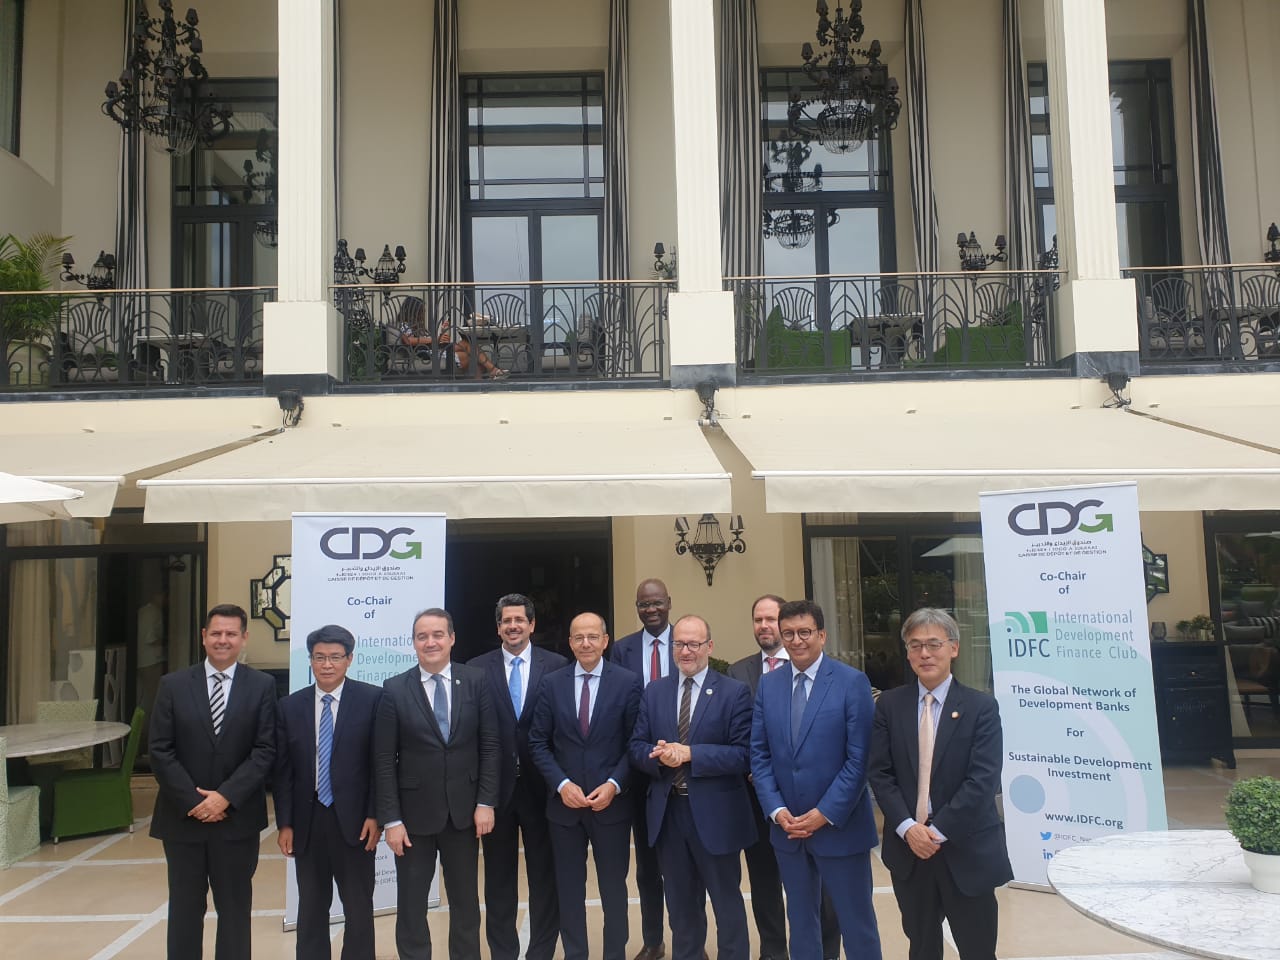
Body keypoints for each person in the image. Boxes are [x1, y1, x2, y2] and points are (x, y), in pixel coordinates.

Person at [867, 608, 1012, 960]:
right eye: (915, 645)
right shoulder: (890, 705)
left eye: (934, 644)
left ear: (954, 648)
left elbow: (983, 780)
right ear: (907, 653)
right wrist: (908, 828)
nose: (925, 653)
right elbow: (880, 773)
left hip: (966, 849)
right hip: (910, 852)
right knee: (922, 949)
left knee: (978, 951)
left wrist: (937, 831)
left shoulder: (981, 707)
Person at [749, 599, 882, 960]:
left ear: (822, 635)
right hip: (788, 830)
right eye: (789, 633)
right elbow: (759, 755)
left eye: (804, 632)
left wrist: (824, 813)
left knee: (857, 925)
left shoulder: (852, 683)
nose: (796, 640)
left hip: (840, 828)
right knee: (801, 924)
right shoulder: (769, 685)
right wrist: (777, 810)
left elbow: (859, 760)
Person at [148, 603, 277, 960]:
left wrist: (225, 797)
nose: (223, 640)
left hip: (237, 821)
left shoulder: (262, 686)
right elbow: (160, 749)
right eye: (216, 633)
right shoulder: (173, 685)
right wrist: (195, 801)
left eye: (231, 634)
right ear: (204, 637)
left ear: (244, 638)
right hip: (183, 819)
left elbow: (265, 749)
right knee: (185, 908)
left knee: (235, 910)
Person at [374, 608, 499, 960]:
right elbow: (383, 760)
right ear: (414, 642)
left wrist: (486, 802)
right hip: (413, 819)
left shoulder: (475, 681)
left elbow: (490, 745)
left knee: (465, 903)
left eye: (438, 635)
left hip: (464, 814)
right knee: (412, 906)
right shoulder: (395, 689)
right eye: (422, 636)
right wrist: (391, 820)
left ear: (452, 638)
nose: (430, 642)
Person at [629, 615, 755, 960]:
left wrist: (691, 754)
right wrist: (658, 756)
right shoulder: (655, 691)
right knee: (681, 907)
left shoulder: (733, 692)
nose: (685, 651)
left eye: (693, 644)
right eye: (679, 644)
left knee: (727, 904)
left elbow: (743, 754)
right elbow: (636, 746)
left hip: (717, 815)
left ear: (709, 647)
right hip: (669, 813)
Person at [728, 595, 841, 960]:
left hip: (812, 799)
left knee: (821, 885)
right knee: (764, 882)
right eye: (757, 619)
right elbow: (738, 733)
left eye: (771, 619)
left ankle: (823, 951)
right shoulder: (737, 672)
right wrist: (761, 781)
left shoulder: (820, 671)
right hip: (759, 799)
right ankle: (773, 952)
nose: (764, 626)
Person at [529, 612, 642, 960]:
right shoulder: (552, 683)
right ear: (570, 642)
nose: (586, 643)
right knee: (569, 891)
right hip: (565, 809)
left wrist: (614, 784)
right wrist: (561, 784)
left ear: (605, 641)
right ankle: (575, 954)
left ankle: (614, 954)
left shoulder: (627, 682)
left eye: (593, 637)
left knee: (613, 891)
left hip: (612, 806)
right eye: (578, 637)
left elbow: (635, 743)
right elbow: (538, 742)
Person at [274, 624, 384, 960]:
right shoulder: (290, 706)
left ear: (349, 659)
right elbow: (283, 771)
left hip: (356, 821)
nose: (327, 664)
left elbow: (380, 763)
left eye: (335, 657)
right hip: (308, 822)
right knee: (310, 906)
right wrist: (285, 823)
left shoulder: (372, 699)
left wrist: (375, 814)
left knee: (358, 906)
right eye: (319, 657)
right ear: (310, 660)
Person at [470, 594, 567, 960]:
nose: (513, 626)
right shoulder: (477, 669)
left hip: (542, 789)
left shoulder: (556, 666)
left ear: (532, 625)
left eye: (519, 620)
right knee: (498, 880)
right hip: (495, 792)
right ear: (498, 628)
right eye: (506, 621)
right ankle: (503, 953)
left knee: (545, 877)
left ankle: (540, 952)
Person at [609, 578, 674, 960]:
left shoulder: (685, 642)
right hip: (638, 774)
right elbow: (618, 709)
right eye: (644, 604)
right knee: (648, 867)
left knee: (684, 864)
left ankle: (690, 940)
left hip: (681, 771)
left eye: (657, 603)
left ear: (669, 603)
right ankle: (653, 941)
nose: (651, 610)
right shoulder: (622, 650)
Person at [395, 296, 507, 379]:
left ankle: (491, 372)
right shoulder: (404, 325)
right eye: (421, 311)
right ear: (414, 312)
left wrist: (443, 333)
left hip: (436, 349)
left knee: (467, 344)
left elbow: (434, 341)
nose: (423, 314)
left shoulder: (418, 327)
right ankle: (488, 376)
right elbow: (408, 340)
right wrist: (436, 339)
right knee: (472, 356)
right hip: (427, 354)